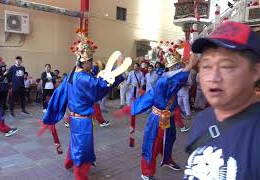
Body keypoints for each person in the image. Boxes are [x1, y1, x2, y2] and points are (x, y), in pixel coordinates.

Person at [40, 29, 128, 180]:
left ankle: (68, 162)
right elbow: (100, 85)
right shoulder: (83, 78)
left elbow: (59, 94)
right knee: (83, 148)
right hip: (82, 120)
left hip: (76, 119)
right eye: (91, 62)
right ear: (85, 61)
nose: (92, 64)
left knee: (76, 142)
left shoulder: (73, 74)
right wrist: (119, 70)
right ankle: (80, 176)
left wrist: (50, 115)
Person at [184, 21, 260, 180]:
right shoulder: (201, 120)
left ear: (255, 71)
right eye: (206, 66)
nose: (213, 77)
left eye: (226, 66)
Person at [131, 51, 198, 180]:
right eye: (178, 65)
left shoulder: (169, 76)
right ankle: (146, 172)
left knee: (169, 139)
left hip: (168, 116)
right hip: (157, 118)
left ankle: (167, 159)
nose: (180, 67)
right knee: (152, 144)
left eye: (180, 65)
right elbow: (176, 82)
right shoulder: (165, 80)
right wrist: (189, 66)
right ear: (172, 67)